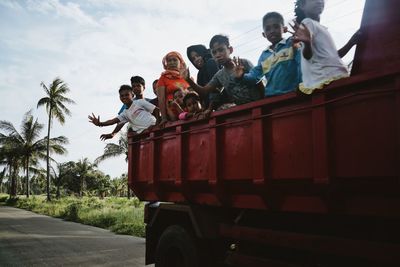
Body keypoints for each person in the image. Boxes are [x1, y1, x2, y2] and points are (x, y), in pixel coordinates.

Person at [292, 0, 360, 94]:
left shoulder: (320, 28)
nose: (319, 2)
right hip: (327, 80)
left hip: (332, 77)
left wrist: (350, 43)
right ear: (302, 5)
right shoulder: (308, 23)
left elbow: (333, 57)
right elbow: (307, 56)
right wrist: (307, 44)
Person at [183, 34, 262, 111]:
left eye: (221, 50)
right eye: (214, 52)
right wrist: (188, 80)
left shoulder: (243, 63)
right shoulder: (219, 75)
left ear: (230, 50)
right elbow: (204, 91)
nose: (218, 55)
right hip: (243, 111)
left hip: (260, 106)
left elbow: (259, 82)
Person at [235, 12, 302, 97]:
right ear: (264, 34)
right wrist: (241, 76)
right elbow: (255, 76)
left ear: (284, 29)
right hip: (271, 99)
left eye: (276, 27)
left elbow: (302, 63)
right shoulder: (264, 55)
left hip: (294, 95)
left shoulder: (292, 44)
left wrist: (302, 85)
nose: (272, 31)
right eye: (268, 29)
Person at [88, 85, 159, 138]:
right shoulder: (125, 113)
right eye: (122, 96)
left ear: (132, 95)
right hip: (146, 134)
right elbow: (113, 121)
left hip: (155, 129)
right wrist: (100, 123)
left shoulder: (140, 102)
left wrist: (157, 125)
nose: (124, 97)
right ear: (119, 97)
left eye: (127, 95)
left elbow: (156, 110)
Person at [156, 51, 191, 123]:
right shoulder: (163, 78)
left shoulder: (185, 77)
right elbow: (161, 99)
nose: (172, 62)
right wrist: (164, 118)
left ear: (180, 62)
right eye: (169, 60)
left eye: (175, 60)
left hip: (189, 113)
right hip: (173, 115)